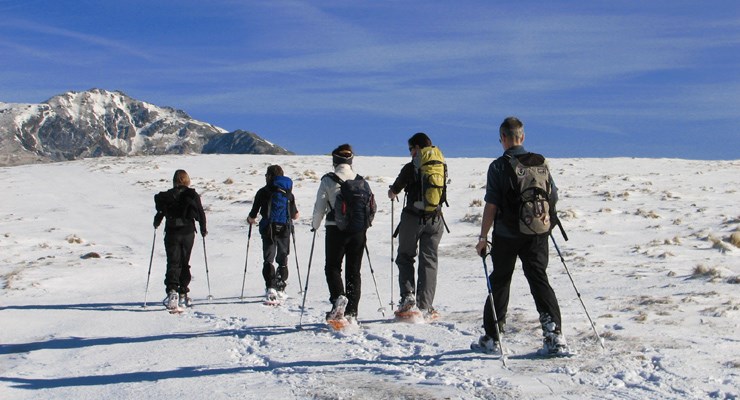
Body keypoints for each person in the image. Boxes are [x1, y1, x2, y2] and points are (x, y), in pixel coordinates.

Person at [474, 116, 567, 354]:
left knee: (501, 280)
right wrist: (547, 221)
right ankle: (554, 334)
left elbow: (491, 204)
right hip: (538, 230)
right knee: (538, 278)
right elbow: (552, 194)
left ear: (503, 138)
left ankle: (493, 337)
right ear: (522, 137)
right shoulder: (540, 161)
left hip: (507, 233)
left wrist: (483, 237)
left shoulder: (498, 166)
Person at [388, 132, 445, 319]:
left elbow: (395, 189)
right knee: (429, 261)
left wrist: (392, 192)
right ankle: (425, 306)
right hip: (436, 219)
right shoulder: (441, 165)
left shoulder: (411, 167)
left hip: (413, 218)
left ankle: (408, 300)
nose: (411, 153)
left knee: (405, 257)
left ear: (417, 148)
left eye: (411, 149)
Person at [311, 144, 369, 324]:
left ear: (335, 160)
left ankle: (338, 298)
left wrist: (315, 225)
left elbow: (319, 207)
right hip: (358, 231)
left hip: (335, 229)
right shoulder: (361, 181)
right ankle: (352, 312)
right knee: (354, 272)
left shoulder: (328, 180)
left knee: (333, 267)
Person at [153, 169, 207, 310]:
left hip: (172, 232)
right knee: (184, 262)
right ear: (187, 180)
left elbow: (160, 213)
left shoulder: (168, 196)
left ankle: (172, 292)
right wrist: (203, 228)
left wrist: (156, 222)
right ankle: (183, 292)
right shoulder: (192, 194)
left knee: (173, 262)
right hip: (188, 232)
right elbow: (200, 212)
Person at [247, 165, 299, 301]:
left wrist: (250, 219)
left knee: (268, 258)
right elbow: (295, 215)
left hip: (268, 228)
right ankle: (281, 288)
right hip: (285, 228)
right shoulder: (288, 193)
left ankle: (270, 287)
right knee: (283, 258)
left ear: (269, 176)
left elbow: (254, 213)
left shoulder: (263, 191)